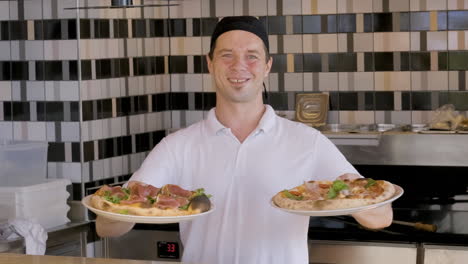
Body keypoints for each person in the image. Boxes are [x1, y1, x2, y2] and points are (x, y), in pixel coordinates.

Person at [96, 16, 393, 263]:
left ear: (267, 66)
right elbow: (107, 227)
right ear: (210, 64)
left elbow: (381, 219)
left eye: (252, 56)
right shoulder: (177, 146)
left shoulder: (306, 141)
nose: (239, 66)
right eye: (227, 55)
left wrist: (354, 197)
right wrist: (115, 209)